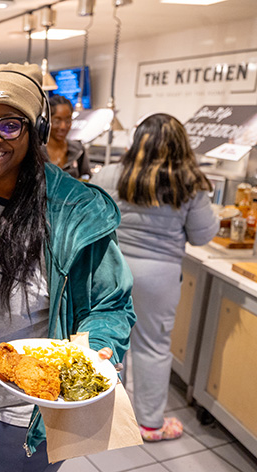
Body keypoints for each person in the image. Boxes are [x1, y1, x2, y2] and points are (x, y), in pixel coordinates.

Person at [0, 63, 136, 472]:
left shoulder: (74, 211)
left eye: (10, 125)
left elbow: (112, 305)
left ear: (36, 131)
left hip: (21, 408)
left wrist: (97, 347)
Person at [91, 113, 218, 442]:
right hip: (159, 276)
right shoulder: (189, 183)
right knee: (153, 348)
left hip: (112, 268)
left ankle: (98, 415)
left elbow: (90, 215)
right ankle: (149, 424)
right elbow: (203, 235)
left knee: (109, 343)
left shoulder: (108, 174)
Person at [45, 95, 90, 179]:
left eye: (68, 120)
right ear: (47, 121)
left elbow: (86, 177)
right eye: (57, 121)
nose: (63, 126)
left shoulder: (78, 149)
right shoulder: (37, 151)